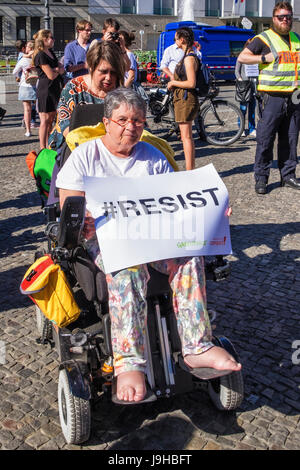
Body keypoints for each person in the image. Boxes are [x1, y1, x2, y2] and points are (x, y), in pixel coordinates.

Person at [55, 88, 242, 403]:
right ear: (106, 122)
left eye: (138, 121)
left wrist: (211, 211)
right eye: (123, 120)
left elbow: (176, 203)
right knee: (126, 269)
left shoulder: (153, 157)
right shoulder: (85, 156)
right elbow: (69, 213)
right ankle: (129, 363)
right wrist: (85, 216)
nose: (131, 127)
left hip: (153, 236)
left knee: (189, 255)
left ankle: (197, 346)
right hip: (107, 240)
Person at [238, 1, 300, 195]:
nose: (285, 20)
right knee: (266, 139)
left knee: (290, 139)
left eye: (288, 17)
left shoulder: (296, 38)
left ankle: (288, 175)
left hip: (295, 97)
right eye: (281, 17)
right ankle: (261, 178)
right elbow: (243, 57)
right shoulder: (263, 38)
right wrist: (263, 58)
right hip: (272, 97)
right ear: (274, 19)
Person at [48, 40, 125, 151]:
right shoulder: (74, 88)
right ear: (91, 68)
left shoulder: (122, 93)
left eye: (113, 72)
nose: (108, 77)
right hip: (72, 148)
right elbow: (64, 124)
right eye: (103, 71)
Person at [167, 27, 199, 171]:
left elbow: (191, 83)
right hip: (183, 98)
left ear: (182, 40)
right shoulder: (188, 55)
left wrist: (173, 82)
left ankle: (189, 170)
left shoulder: (189, 58)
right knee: (185, 136)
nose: (175, 42)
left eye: (176, 39)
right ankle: (189, 169)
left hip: (186, 99)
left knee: (186, 137)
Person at [33, 29, 64, 149]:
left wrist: (56, 70)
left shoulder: (50, 51)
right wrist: (57, 70)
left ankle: (50, 144)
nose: (53, 40)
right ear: (44, 39)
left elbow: (60, 68)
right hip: (45, 89)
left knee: (51, 118)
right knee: (44, 120)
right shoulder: (40, 55)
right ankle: (42, 147)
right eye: (51, 37)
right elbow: (50, 75)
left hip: (55, 88)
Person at [13, 40, 37, 137]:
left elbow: (14, 72)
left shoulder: (23, 60)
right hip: (36, 86)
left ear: (28, 49)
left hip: (25, 85)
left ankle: (28, 130)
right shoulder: (37, 60)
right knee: (38, 109)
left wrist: (19, 75)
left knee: (27, 110)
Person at [235, 39, 258, 138]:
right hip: (244, 86)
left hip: (254, 85)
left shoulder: (256, 57)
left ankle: (252, 129)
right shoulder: (242, 56)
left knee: (252, 109)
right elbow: (237, 71)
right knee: (243, 109)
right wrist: (240, 80)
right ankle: (241, 129)